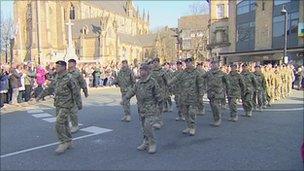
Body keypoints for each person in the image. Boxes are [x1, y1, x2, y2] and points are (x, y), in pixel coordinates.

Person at [37, 60, 81, 155]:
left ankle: (63, 142)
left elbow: (76, 92)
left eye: (57, 67)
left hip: (67, 105)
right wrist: (40, 96)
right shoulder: (57, 77)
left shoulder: (69, 78)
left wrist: (78, 104)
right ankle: (69, 140)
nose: (55, 68)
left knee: (58, 123)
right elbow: (50, 88)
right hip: (58, 104)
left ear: (63, 67)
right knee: (64, 123)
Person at [122, 63, 162, 154]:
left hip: (151, 108)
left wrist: (159, 107)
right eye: (140, 70)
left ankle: (152, 144)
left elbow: (158, 95)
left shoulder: (152, 82)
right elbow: (132, 91)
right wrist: (125, 98)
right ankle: (146, 142)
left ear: (147, 71)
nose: (141, 72)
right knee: (144, 127)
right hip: (141, 108)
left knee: (148, 126)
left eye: (143, 70)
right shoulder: (138, 82)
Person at [169, 58, 205, 135]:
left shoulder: (197, 73)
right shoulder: (183, 72)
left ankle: (192, 127)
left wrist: (200, 95)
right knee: (185, 112)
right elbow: (176, 78)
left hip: (193, 97)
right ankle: (188, 126)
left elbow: (200, 85)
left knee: (192, 112)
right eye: (187, 63)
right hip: (184, 96)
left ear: (192, 63)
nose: (188, 64)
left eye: (190, 63)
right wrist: (169, 83)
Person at [204, 61, 230, 127]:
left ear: (218, 65)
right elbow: (201, 78)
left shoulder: (222, 74)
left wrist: (227, 91)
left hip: (218, 92)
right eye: (212, 64)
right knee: (213, 106)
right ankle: (216, 119)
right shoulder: (208, 73)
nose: (213, 66)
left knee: (216, 106)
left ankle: (218, 119)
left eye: (215, 64)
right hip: (210, 92)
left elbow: (227, 82)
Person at [68, 59, 89, 133]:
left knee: (73, 111)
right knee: (68, 111)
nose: (69, 64)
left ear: (74, 64)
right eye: (68, 63)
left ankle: (75, 125)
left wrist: (85, 91)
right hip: (66, 95)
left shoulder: (78, 73)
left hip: (75, 94)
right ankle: (72, 123)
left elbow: (82, 82)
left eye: (70, 63)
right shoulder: (66, 73)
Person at [149, 57, 170, 129]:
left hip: (161, 91)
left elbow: (167, 82)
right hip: (153, 92)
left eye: (155, 62)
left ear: (158, 62)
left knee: (159, 107)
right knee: (154, 107)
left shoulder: (163, 71)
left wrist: (167, 91)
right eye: (153, 62)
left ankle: (159, 122)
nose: (154, 64)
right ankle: (155, 121)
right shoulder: (151, 71)